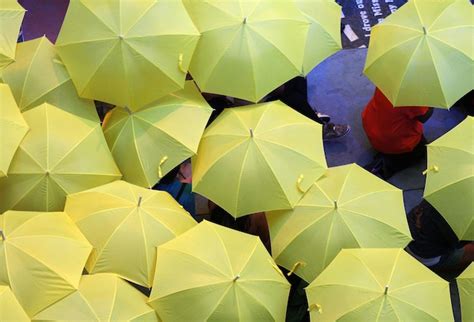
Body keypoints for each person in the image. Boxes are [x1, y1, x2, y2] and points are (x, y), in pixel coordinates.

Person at [362, 87, 433, 179]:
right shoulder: (413, 95)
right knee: (421, 150)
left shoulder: (389, 77)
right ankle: (384, 165)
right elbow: (424, 117)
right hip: (389, 140)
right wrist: (432, 100)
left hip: (371, 124)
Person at [264, 77, 351, 141]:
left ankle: (307, 113)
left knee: (299, 79)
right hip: (258, 102)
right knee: (293, 97)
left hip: (268, 88)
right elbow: (277, 90)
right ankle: (320, 130)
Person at [406, 199, 474, 274]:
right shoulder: (463, 222)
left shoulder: (445, 192)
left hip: (406, 233)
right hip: (424, 256)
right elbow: (457, 245)